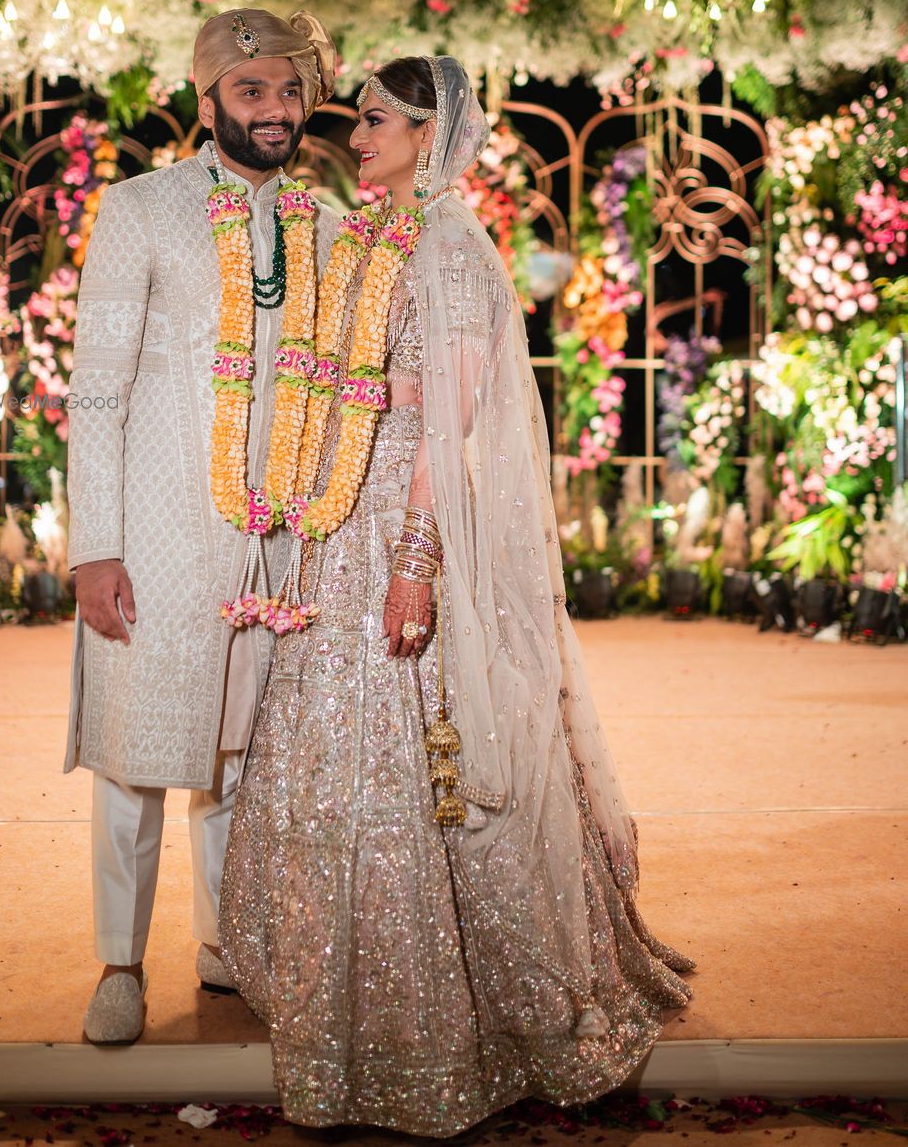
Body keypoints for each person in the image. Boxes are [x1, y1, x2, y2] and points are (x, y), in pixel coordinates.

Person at [218, 55, 694, 1135]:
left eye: (378, 119)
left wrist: (415, 556)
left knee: (420, 752)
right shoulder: (379, 235)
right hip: (350, 518)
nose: (358, 134)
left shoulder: (450, 247)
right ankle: (355, 998)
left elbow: (453, 416)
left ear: (429, 135)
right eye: (360, 119)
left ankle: (459, 1014)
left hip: (405, 526)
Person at [63, 7, 339, 1045]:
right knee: (136, 756)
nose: (274, 109)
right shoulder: (141, 209)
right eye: (252, 90)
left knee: (240, 757)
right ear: (208, 99)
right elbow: (95, 390)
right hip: (156, 532)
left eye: (287, 90)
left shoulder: (323, 218)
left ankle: (226, 948)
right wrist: (95, 544)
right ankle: (119, 962)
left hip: (275, 539)